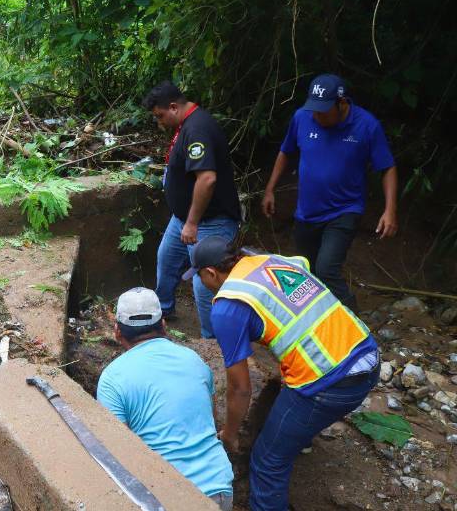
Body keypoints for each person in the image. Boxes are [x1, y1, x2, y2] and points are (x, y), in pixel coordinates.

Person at [188, 236, 379, 511]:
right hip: (366, 353)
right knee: (287, 417)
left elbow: (240, 389)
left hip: (329, 385)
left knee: (267, 461)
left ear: (210, 272)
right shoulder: (273, 262)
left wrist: (230, 434)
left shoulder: (228, 307)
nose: (202, 284)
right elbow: (301, 276)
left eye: (199, 277)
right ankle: (299, 437)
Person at [262, 74, 398, 310]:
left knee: (327, 268)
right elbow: (285, 152)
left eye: (323, 111)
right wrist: (270, 189)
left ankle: (353, 322)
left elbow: (387, 167)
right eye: (314, 109)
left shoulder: (366, 125)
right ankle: (321, 323)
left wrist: (390, 210)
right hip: (306, 211)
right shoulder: (302, 118)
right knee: (309, 272)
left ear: (342, 103)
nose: (317, 115)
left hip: (344, 210)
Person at [96, 287, 234, 510]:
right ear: (163, 325)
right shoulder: (194, 360)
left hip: (165, 497)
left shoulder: (112, 378)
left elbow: (115, 453)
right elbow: (211, 419)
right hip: (219, 489)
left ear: (117, 332)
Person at [143, 81, 241, 337]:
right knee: (167, 259)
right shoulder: (186, 125)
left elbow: (207, 178)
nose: (160, 122)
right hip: (183, 218)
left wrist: (192, 222)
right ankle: (162, 311)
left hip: (209, 221)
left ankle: (213, 340)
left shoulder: (197, 129)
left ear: (174, 107)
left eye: (160, 116)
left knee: (205, 281)